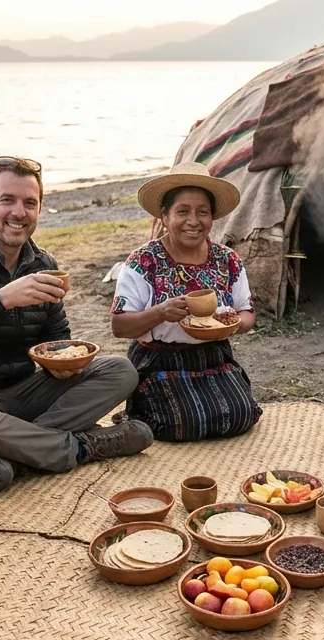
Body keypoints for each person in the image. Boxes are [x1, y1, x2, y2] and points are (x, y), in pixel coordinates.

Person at [0, 156, 152, 493]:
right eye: (7, 200)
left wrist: (63, 364)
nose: (19, 212)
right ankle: (81, 447)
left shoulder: (43, 264)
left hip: (24, 393)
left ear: (39, 209)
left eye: (30, 203)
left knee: (121, 370)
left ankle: (10, 454)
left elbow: (56, 338)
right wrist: (1, 299)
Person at [110, 162, 261, 441]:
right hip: (159, 360)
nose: (194, 221)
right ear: (164, 216)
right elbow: (120, 325)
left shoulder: (228, 260)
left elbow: (247, 313)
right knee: (185, 421)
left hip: (214, 357)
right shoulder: (144, 261)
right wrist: (160, 312)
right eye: (182, 211)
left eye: (202, 212)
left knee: (241, 415)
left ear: (212, 217)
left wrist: (231, 323)